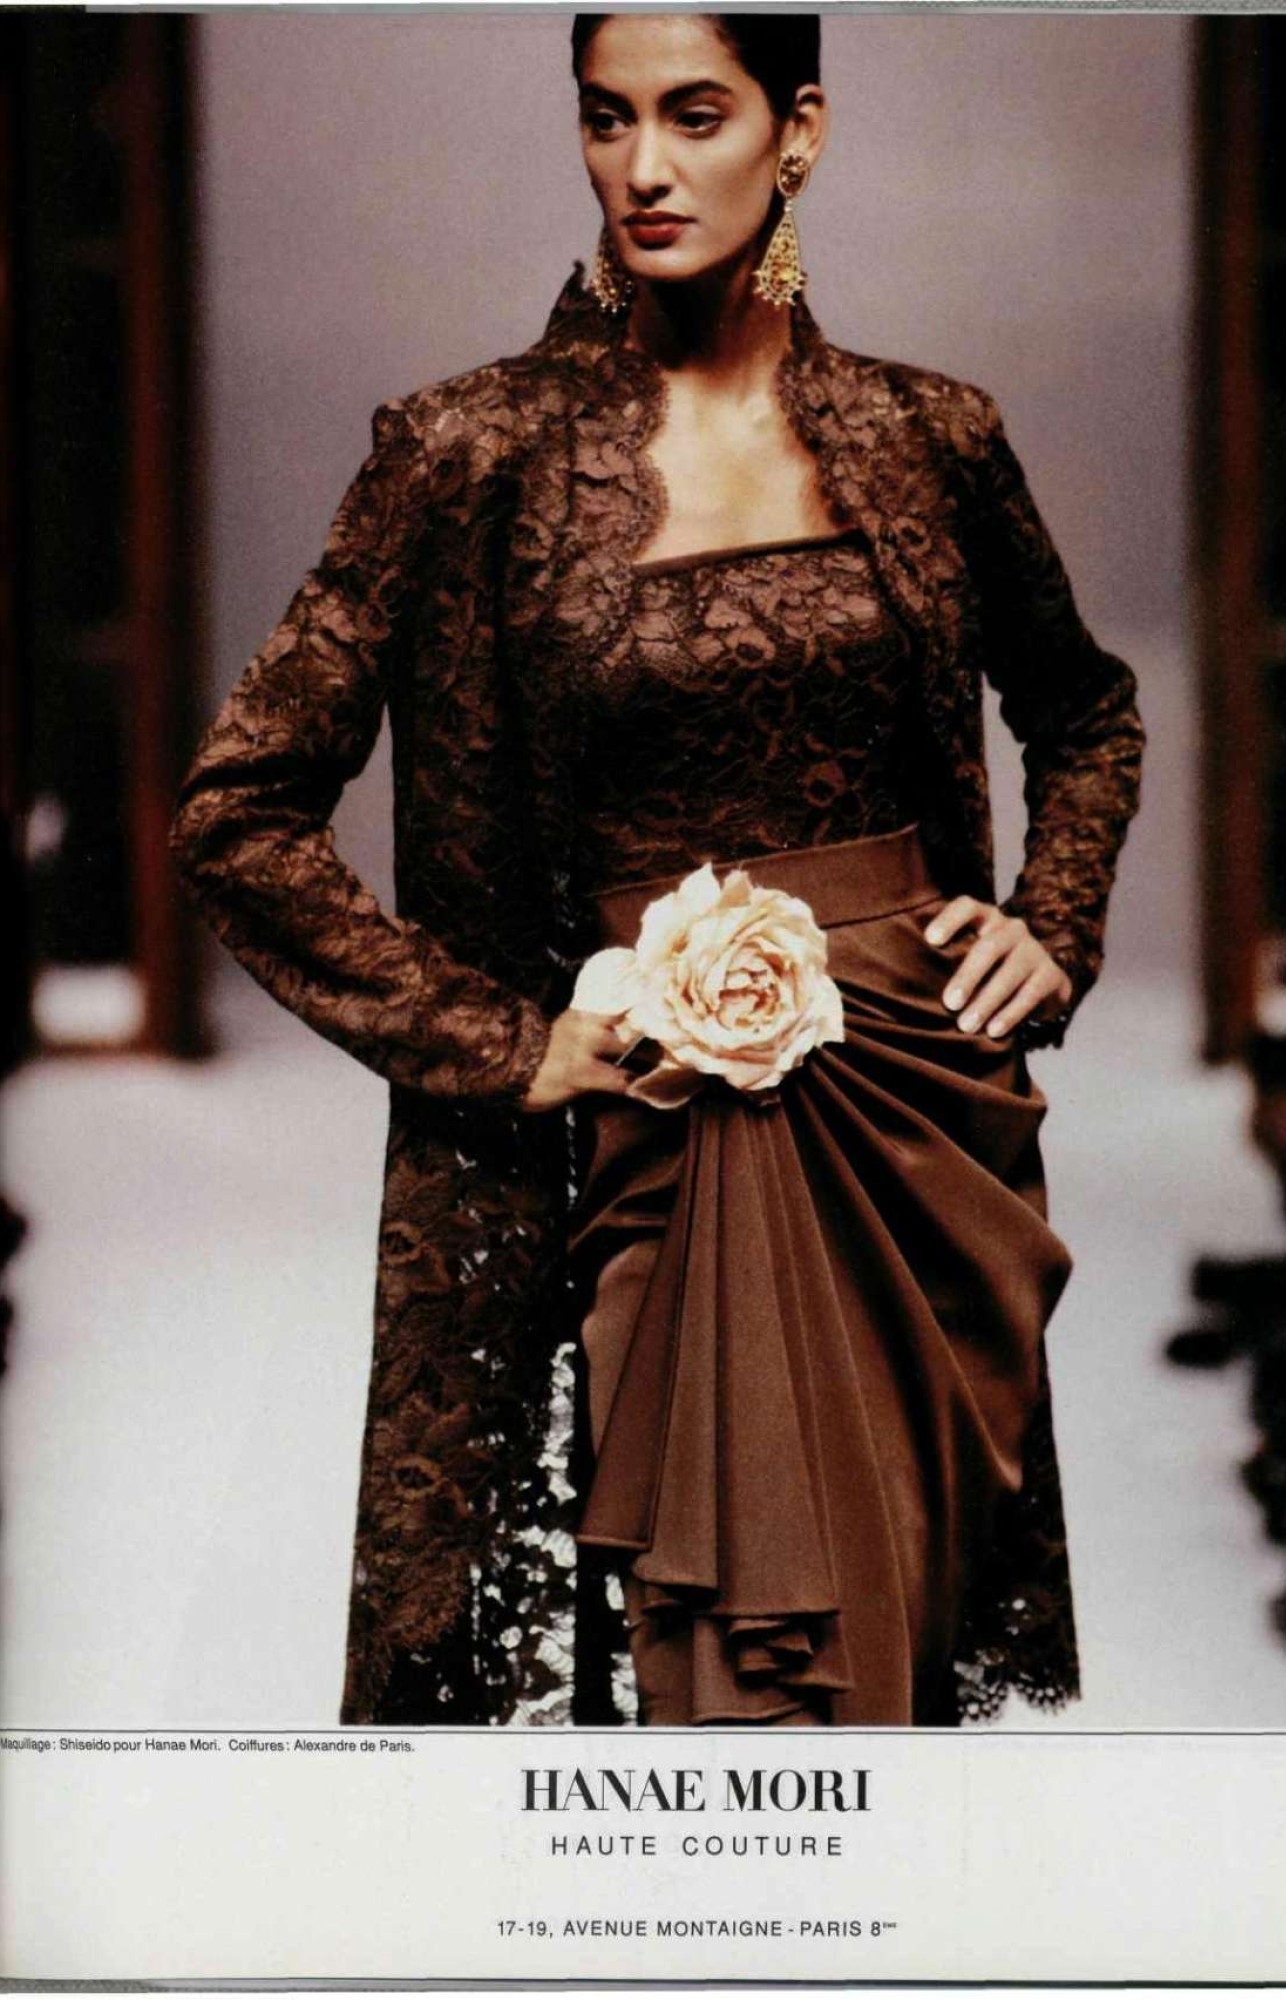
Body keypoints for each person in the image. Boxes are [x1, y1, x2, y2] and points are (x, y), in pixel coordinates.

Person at [169, 12, 1145, 1727]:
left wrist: (1049, 925)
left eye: (695, 115)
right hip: (627, 1141)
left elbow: (1084, 712)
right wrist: (499, 1040)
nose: (642, 167)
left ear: (798, 129)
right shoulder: (466, 451)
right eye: (605, 118)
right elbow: (236, 809)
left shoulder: (927, 435)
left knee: (889, 1665)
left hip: (905, 1120)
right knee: (679, 1676)